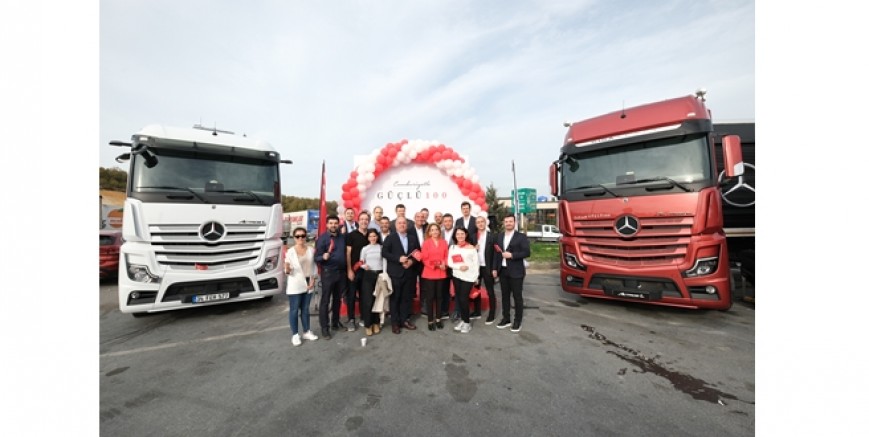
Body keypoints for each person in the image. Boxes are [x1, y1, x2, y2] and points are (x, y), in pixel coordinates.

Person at [381, 216, 421, 334]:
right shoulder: (390, 237)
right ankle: (395, 323)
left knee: (406, 299)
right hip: (395, 274)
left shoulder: (413, 238)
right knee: (395, 299)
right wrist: (398, 259)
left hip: (409, 273)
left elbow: (418, 253)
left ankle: (404, 320)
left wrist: (411, 262)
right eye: (400, 223)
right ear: (396, 225)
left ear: (407, 225)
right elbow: (384, 253)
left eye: (404, 223)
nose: (402, 225)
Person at [493, 215, 531, 333]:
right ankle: (506, 318)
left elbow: (527, 252)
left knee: (517, 297)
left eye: (510, 221)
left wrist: (512, 255)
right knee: (505, 296)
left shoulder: (521, 237)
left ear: (515, 223)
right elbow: (496, 254)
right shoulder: (499, 236)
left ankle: (517, 321)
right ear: (503, 223)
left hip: (516, 271)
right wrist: (494, 268)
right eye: (506, 221)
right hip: (503, 271)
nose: (508, 223)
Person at [314, 215, 348, 340]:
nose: (333, 225)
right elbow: (316, 257)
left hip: (340, 273)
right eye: (331, 223)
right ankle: (325, 327)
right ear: (327, 225)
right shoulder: (322, 239)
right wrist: (322, 257)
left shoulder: (341, 237)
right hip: (328, 273)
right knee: (325, 300)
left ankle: (335, 322)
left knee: (337, 300)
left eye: (335, 223)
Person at [285, 227, 318, 346]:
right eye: (298, 236)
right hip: (295, 284)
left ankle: (306, 331)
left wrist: (313, 280)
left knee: (305, 309)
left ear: (306, 237)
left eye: (303, 236)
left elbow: (314, 267)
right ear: (294, 238)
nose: (300, 238)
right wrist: (287, 268)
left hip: (308, 283)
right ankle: (295, 334)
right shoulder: (290, 251)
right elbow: (288, 269)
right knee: (294, 310)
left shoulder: (310, 250)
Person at [447, 227, 479, 334]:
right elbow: (449, 263)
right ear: (455, 236)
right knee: (459, 299)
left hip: (468, 278)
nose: (460, 236)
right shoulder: (452, 248)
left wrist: (475, 278)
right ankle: (463, 320)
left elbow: (476, 265)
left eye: (462, 234)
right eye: (458, 234)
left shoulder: (472, 248)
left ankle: (467, 323)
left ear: (466, 235)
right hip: (457, 276)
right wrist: (458, 267)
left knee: (464, 299)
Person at [344, 210, 370, 332]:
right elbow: (348, 253)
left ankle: (364, 318)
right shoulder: (351, 235)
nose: (364, 221)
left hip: (367, 272)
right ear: (358, 221)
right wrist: (349, 270)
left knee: (365, 296)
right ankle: (351, 319)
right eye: (362, 219)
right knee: (352, 296)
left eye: (366, 219)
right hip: (354, 271)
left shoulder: (371, 235)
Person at [420, 223, 448, 331]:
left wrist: (444, 264)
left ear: (439, 231)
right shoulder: (426, 243)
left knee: (440, 297)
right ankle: (430, 320)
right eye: (432, 230)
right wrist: (434, 265)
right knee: (430, 297)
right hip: (430, 272)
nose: (435, 231)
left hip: (441, 273)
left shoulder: (444, 242)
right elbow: (424, 258)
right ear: (429, 232)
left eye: (436, 229)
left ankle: (438, 319)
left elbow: (446, 256)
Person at [358, 228, 385, 336]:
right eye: (370, 236)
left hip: (379, 275)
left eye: (374, 236)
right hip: (368, 275)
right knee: (368, 301)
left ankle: (376, 323)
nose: (373, 238)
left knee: (377, 300)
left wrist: (384, 274)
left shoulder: (381, 248)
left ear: (377, 237)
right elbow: (361, 262)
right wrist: (364, 266)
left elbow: (384, 262)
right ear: (368, 238)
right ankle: (368, 325)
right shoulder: (365, 249)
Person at [474, 215, 498, 324]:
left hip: (487, 268)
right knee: (475, 290)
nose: (480, 224)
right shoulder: (473, 237)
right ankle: (476, 311)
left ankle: (492, 314)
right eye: (478, 222)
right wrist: (473, 249)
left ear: (485, 223)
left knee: (490, 291)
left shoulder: (492, 236)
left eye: (482, 222)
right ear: (476, 224)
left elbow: (496, 254)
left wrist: (494, 268)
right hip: (476, 268)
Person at [439, 213, 456, 321]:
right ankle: (444, 311)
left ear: (452, 221)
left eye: (449, 221)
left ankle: (458, 312)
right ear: (443, 222)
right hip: (443, 265)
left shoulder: (458, 232)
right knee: (443, 290)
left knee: (458, 290)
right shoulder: (439, 233)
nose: (447, 223)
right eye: (445, 221)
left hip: (455, 266)